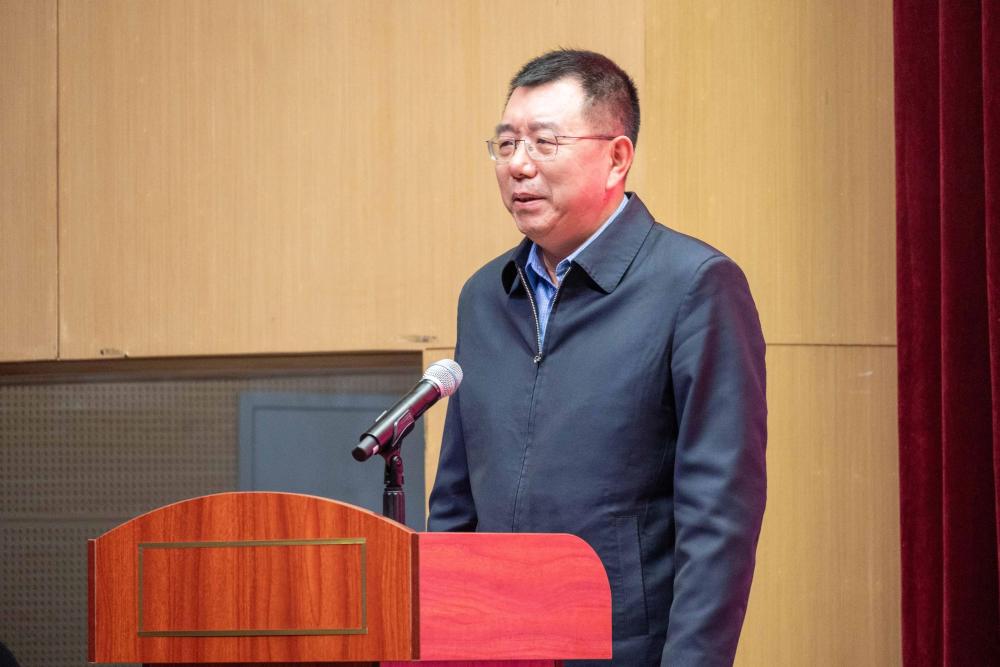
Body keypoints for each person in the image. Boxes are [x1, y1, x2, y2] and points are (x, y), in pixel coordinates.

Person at [428, 49, 767, 667]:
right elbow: (456, 501)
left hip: (623, 649)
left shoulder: (694, 286)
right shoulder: (485, 296)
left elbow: (719, 517)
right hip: (493, 646)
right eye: (506, 144)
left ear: (617, 157)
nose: (519, 164)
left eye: (545, 142)